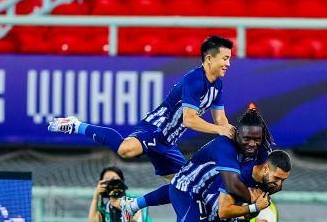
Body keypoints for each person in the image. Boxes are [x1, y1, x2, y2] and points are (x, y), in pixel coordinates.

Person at [48, 35, 235, 181]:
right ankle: (76, 125)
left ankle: (135, 206)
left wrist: (230, 133)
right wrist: (220, 131)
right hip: (155, 128)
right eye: (225, 58)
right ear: (209, 58)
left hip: (168, 141)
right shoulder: (195, 80)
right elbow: (189, 120)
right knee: (125, 149)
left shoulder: (217, 85)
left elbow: (220, 119)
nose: (228, 64)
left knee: (184, 186)